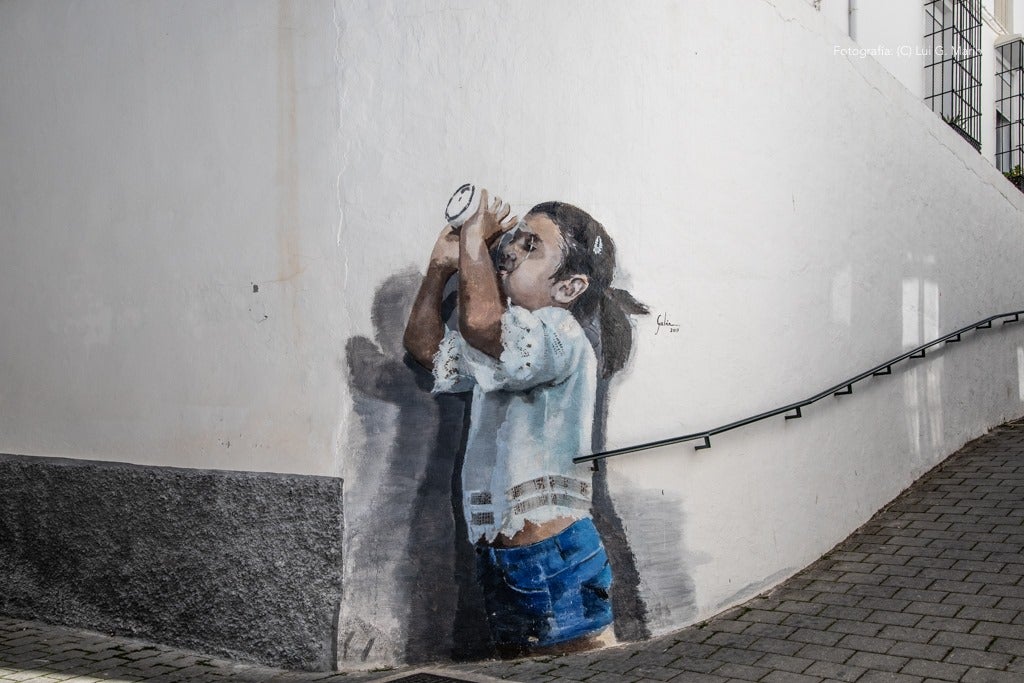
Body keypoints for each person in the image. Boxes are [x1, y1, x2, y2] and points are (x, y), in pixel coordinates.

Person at [404, 190, 646, 654]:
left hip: (554, 557)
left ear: (569, 287)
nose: (510, 250)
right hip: (501, 559)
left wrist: (474, 232)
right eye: (514, 239)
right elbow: (425, 347)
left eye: (531, 246)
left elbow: (480, 323)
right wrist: (439, 269)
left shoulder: (559, 333)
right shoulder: (511, 342)